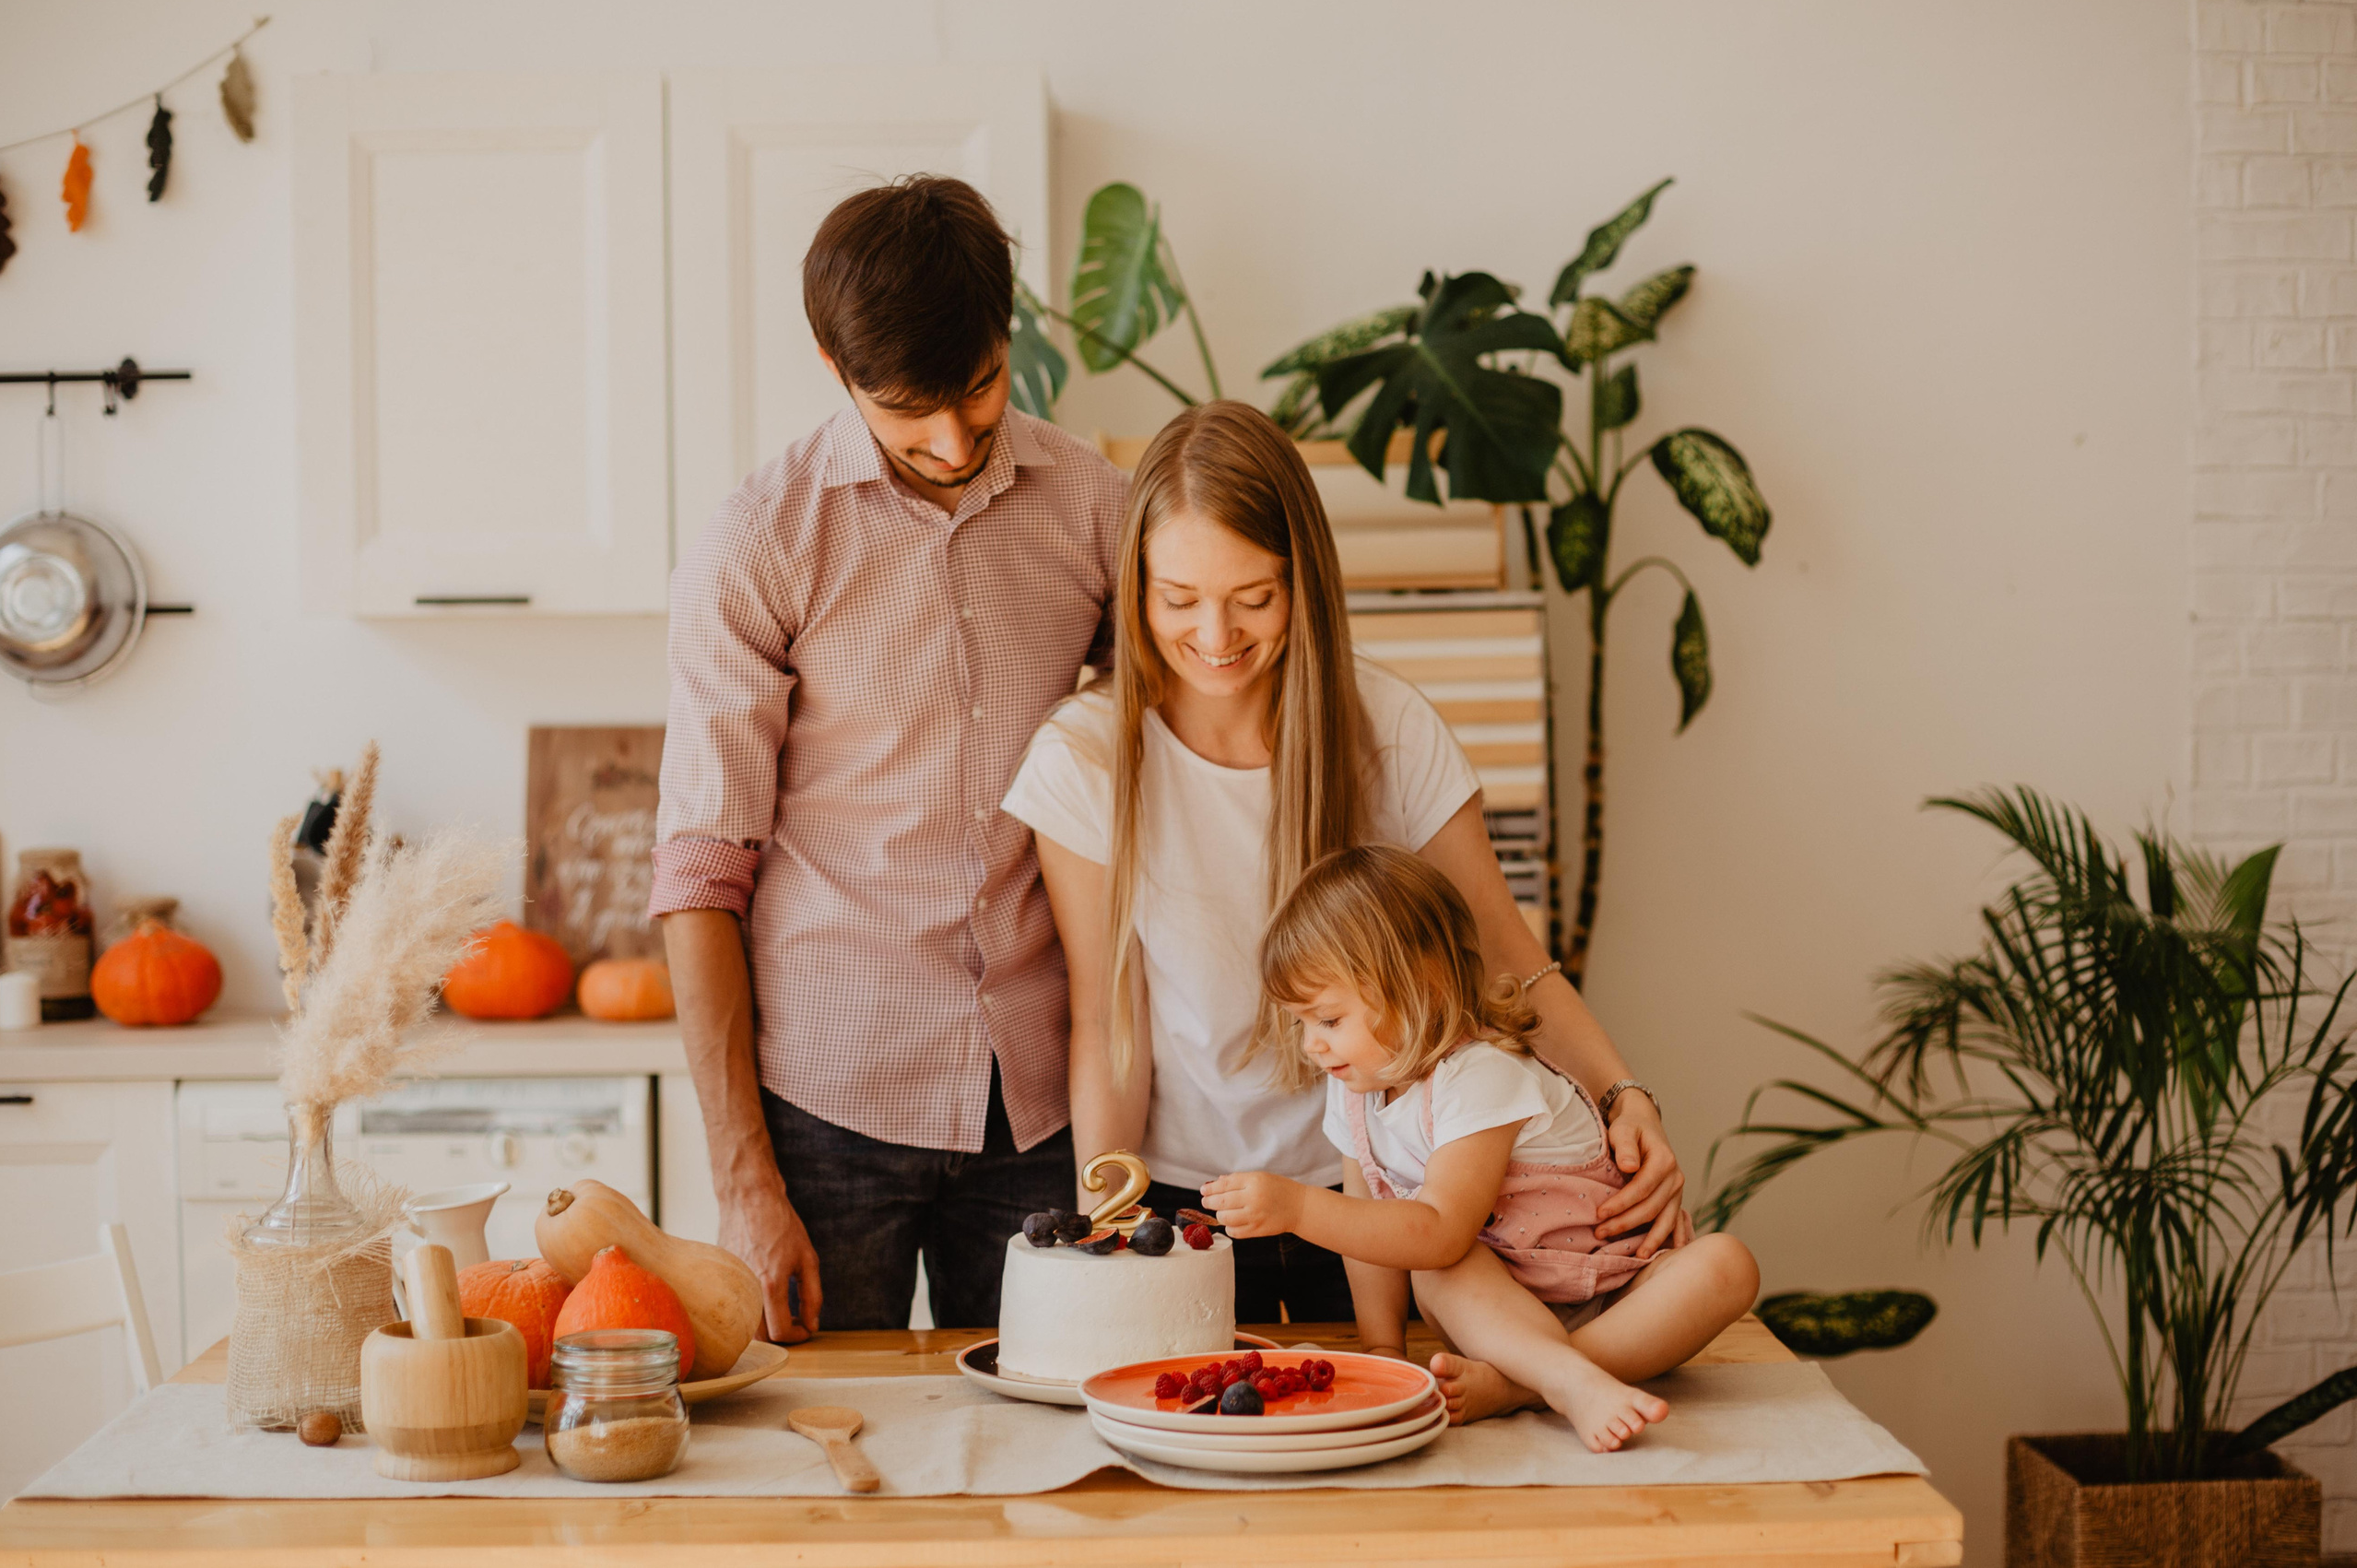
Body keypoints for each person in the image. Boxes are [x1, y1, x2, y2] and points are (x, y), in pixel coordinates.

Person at [1001, 401, 1692, 1334]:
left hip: (1389, 1195)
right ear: (1134, 588)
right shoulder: (1082, 758)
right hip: (1191, 1202)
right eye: (1178, 600)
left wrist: (1624, 1095)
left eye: (1254, 597)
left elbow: (1505, 957)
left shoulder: (1390, 730)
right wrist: (1107, 1228)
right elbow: (1105, 1019)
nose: (1216, 636)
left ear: (1305, 581)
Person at [653, 175, 1126, 1339]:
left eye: (978, 387)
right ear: (833, 366)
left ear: (1009, 338)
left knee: (1045, 1449)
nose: (954, 439)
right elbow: (701, 873)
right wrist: (743, 1184)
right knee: (817, 1469)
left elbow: (1180, 755)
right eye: (908, 406)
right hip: (824, 1105)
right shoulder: (760, 541)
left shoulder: (1100, 508)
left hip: (1044, 1102)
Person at [1205, 844, 1760, 1446]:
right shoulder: (1354, 1088)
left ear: (1421, 986)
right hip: (1506, 1310)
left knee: (1727, 1264)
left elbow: (1441, 1225)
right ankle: (1552, 1373)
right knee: (1439, 1267)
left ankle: (1531, 1382)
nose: (1313, 1044)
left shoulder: (1478, 1072)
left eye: (1329, 1019)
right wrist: (1384, 1350)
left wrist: (1299, 1208)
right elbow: (1373, 1239)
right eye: (1301, 1023)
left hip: (1621, 1292)